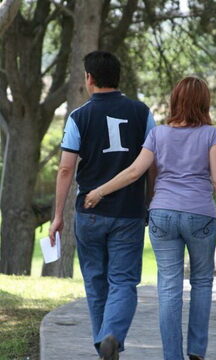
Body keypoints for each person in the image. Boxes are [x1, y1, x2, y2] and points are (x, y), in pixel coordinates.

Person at [84, 76, 216, 360]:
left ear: (175, 101)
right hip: (200, 217)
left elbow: (134, 172)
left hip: (162, 215)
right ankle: (196, 351)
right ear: (204, 102)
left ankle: (172, 356)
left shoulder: (158, 134)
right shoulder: (211, 134)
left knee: (169, 286)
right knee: (202, 282)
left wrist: (99, 191)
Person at [49, 50, 156, 360]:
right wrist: (148, 201)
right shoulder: (142, 112)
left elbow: (66, 169)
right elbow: (151, 165)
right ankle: (112, 336)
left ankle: (103, 344)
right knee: (123, 281)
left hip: (90, 213)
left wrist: (58, 216)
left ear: (89, 79)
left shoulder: (79, 116)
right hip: (129, 212)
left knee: (96, 282)